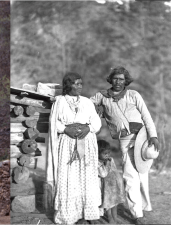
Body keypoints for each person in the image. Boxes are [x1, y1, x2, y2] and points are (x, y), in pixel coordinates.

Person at [90, 67, 159, 225]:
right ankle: (137, 215)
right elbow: (87, 103)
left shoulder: (133, 95)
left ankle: (142, 208)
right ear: (111, 79)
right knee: (130, 176)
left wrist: (153, 135)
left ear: (126, 81)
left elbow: (146, 116)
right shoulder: (102, 96)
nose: (118, 82)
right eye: (115, 78)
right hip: (125, 140)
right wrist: (96, 108)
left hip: (143, 137)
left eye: (121, 79)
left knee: (142, 174)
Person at [47, 72, 101, 224]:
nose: (80, 86)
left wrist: (88, 128)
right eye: (76, 83)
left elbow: (96, 123)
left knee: (87, 176)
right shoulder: (60, 101)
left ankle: (89, 214)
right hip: (67, 143)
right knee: (69, 177)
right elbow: (54, 122)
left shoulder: (87, 102)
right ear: (67, 85)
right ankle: (70, 215)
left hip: (87, 141)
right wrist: (65, 129)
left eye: (81, 83)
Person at [97, 140, 124, 224]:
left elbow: (114, 170)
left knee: (115, 202)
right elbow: (103, 174)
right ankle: (110, 218)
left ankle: (115, 218)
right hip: (105, 187)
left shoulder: (110, 159)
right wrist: (105, 164)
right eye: (105, 153)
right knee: (108, 204)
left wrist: (119, 182)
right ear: (97, 153)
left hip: (113, 185)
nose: (107, 155)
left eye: (108, 153)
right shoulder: (98, 163)